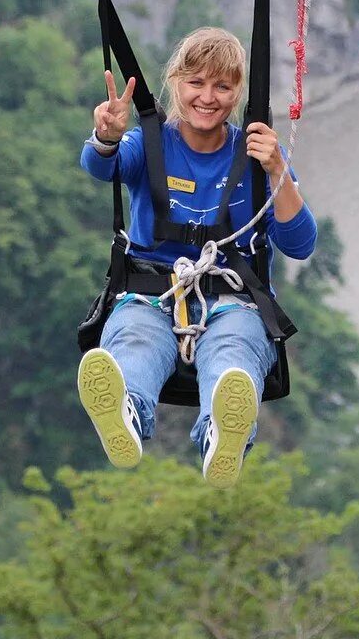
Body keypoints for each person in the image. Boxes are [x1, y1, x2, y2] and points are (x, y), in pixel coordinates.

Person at [76, 27, 316, 487]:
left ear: (238, 93)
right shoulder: (149, 144)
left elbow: (300, 243)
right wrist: (106, 134)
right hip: (151, 289)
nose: (208, 98)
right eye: (196, 83)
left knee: (234, 347)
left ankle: (222, 433)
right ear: (175, 83)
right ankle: (125, 406)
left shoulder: (257, 154)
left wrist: (277, 170)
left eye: (222, 86)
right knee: (135, 338)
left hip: (232, 296)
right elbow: (100, 165)